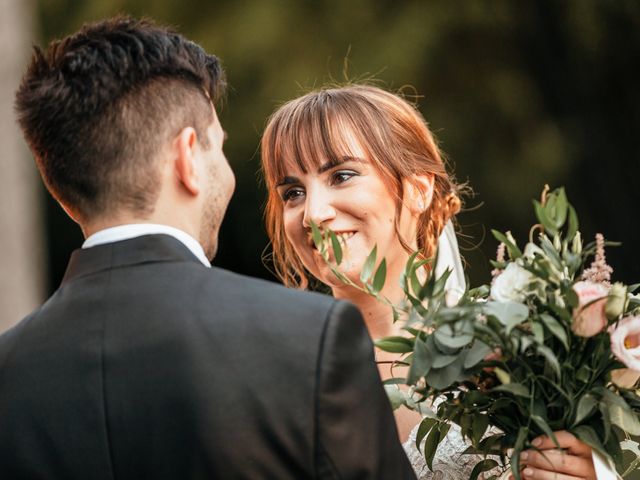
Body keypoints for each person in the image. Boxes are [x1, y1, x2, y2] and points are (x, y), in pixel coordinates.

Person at [0, 18, 416, 479]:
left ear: (60, 193)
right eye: (218, 146)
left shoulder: (8, 373)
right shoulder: (307, 338)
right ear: (187, 156)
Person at [260, 84, 601, 480]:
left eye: (342, 175)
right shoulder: (276, 381)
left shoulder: (516, 346)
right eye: (293, 193)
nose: (313, 214)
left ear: (419, 190)